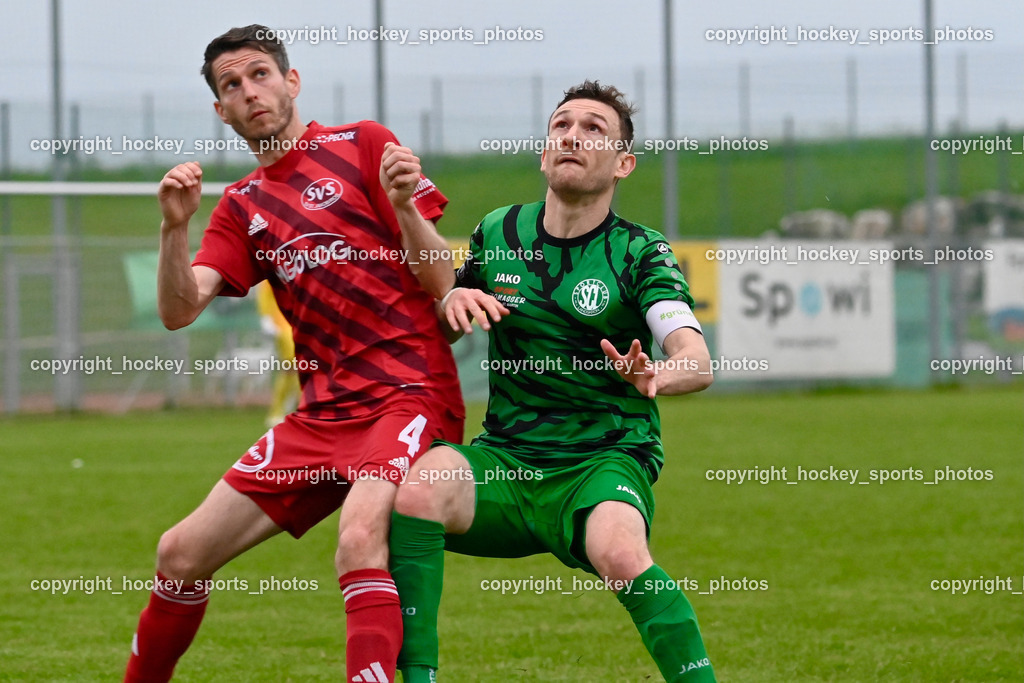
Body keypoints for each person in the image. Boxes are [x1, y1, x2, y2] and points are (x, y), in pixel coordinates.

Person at [123, 25, 464, 683]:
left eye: (260, 75)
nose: (250, 92)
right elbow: (177, 309)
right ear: (220, 111)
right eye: (232, 85)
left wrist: (405, 209)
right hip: (324, 415)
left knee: (360, 538)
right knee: (180, 551)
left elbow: (443, 282)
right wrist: (174, 228)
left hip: (409, 393)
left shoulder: (364, 142)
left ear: (292, 81)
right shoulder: (242, 206)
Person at [388, 80, 717, 682]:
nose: (573, 134)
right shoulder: (498, 231)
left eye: (594, 127)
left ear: (623, 164)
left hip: (602, 460)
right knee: (415, 490)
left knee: (621, 552)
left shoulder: (640, 251)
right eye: (562, 125)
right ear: (545, 153)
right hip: (507, 460)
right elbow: (447, 324)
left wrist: (657, 375)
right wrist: (453, 299)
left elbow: (695, 358)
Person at [255, 280, 300, 427]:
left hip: (301, 321)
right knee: (293, 366)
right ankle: (277, 411)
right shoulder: (276, 265)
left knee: (302, 366)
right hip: (282, 324)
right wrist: (265, 317)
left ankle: (295, 406)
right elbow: (264, 292)